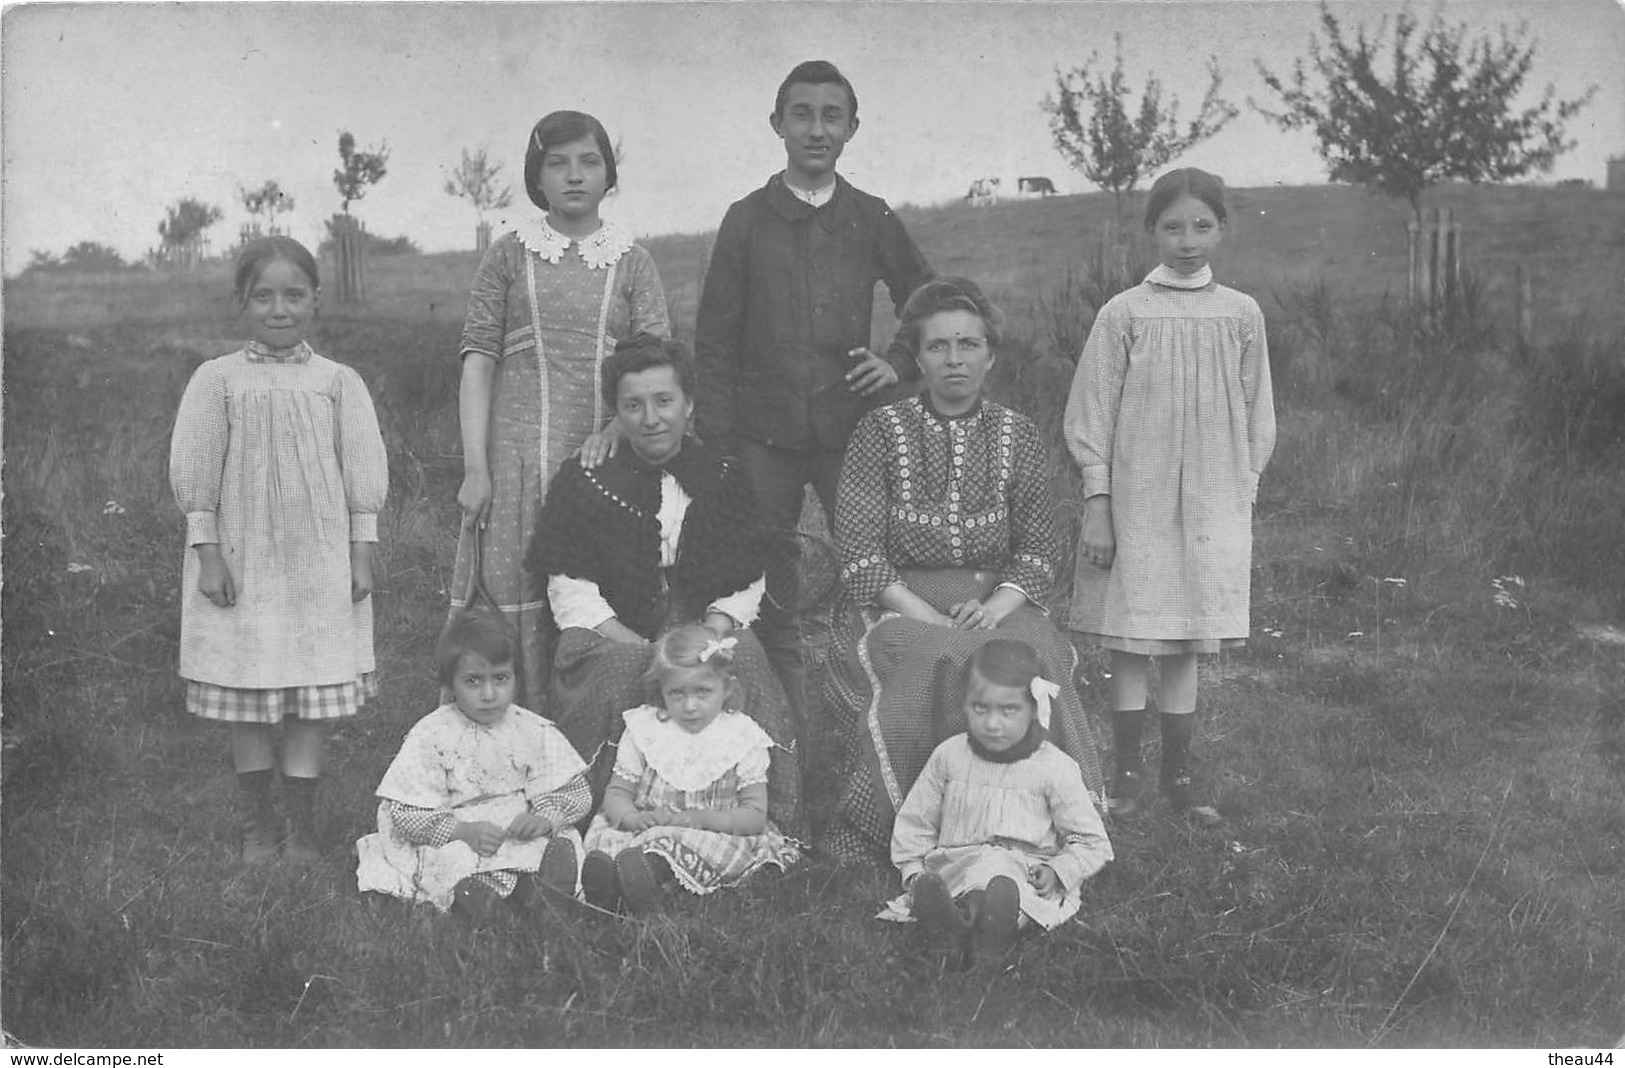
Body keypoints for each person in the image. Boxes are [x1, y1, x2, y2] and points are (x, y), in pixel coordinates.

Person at [823, 276, 1106, 864]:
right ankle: (905, 826)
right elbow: (859, 550)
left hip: (995, 598)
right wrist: (928, 616)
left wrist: (997, 607)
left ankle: (1042, 824)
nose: (954, 359)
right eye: (938, 347)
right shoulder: (879, 431)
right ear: (918, 359)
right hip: (899, 600)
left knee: (1034, 657)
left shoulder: (1019, 435)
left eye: (969, 345)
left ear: (990, 356)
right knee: (934, 657)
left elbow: (1038, 550)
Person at [692, 59, 933, 714]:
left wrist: (900, 361)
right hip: (759, 438)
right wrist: (719, 446)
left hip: (847, 433)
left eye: (832, 116)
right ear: (777, 124)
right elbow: (711, 341)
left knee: (873, 575)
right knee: (765, 585)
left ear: (852, 127)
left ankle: (884, 728)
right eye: (802, 114)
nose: (816, 129)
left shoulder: (870, 215)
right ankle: (783, 738)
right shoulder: (746, 219)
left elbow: (929, 298)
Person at [526, 334, 803, 843]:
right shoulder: (587, 477)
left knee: (741, 656)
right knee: (624, 669)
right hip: (607, 627)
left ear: (689, 405)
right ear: (617, 412)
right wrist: (640, 645)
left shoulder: (722, 475)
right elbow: (570, 586)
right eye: (633, 405)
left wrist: (712, 632)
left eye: (664, 401)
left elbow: (746, 574)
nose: (650, 418)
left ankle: (754, 814)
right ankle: (594, 816)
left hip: (699, 618)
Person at [1063, 168, 1276, 828]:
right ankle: (1126, 778)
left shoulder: (1240, 313)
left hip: (1212, 500)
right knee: (1131, 639)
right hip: (1138, 499)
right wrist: (1097, 501)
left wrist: (1239, 493)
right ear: (1150, 230)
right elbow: (1090, 412)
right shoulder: (1124, 313)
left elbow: (1256, 412)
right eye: (1173, 226)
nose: (1187, 241)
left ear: (1222, 229)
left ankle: (1177, 780)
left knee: (1184, 639)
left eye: (1202, 226)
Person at [169, 236, 388, 866]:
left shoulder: (338, 383)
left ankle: (302, 830)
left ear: (316, 299)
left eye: (294, 294)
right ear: (241, 302)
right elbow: (196, 473)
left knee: (307, 703)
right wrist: (208, 553)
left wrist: (361, 551)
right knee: (248, 697)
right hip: (243, 566)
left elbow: (362, 476)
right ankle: (258, 826)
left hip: (317, 569)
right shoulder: (217, 380)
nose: (279, 308)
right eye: (263, 295)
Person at [451, 109, 670, 708]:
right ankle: (498, 745)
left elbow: (655, 370)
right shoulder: (507, 256)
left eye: (590, 161)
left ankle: (597, 742)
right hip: (516, 464)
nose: (575, 175)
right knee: (510, 596)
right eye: (558, 162)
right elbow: (478, 363)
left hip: (605, 462)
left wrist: (615, 430)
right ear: (536, 176)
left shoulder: (633, 261)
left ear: (608, 174)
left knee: (595, 600)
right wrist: (477, 467)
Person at [881, 640, 1112, 964]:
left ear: (1033, 709)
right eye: (980, 708)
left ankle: (983, 928)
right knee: (947, 886)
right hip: (958, 867)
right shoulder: (950, 756)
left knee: (1011, 892)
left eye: (1008, 710)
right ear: (965, 705)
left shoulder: (1054, 768)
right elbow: (917, 820)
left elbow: (1092, 841)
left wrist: (1059, 871)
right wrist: (914, 871)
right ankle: (953, 921)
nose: (992, 723)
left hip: (1025, 874)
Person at [355, 610, 590, 918]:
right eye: (473, 681)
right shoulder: (432, 734)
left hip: (516, 832)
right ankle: (483, 901)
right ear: (451, 684)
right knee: (455, 860)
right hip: (459, 831)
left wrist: (544, 818)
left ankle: (540, 891)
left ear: (516, 677)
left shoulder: (532, 729)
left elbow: (569, 788)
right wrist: (461, 831)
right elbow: (407, 811)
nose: (489, 694)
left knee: (545, 847)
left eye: (501, 679)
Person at [578, 624, 802, 913]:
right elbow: (618, 792)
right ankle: (612, 878)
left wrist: (702, 819)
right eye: (677, 694)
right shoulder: (645, 729)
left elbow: (754, 816)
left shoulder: (742, 736)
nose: (690, 706)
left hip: (711, 831)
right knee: (613, 839)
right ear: (662, 691)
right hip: (646, 828)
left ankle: (647, 877)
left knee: (700, 849)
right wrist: (632, 818)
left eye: (703, 692)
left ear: (727, 688)